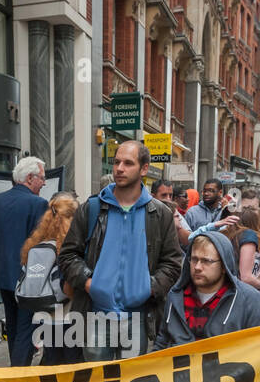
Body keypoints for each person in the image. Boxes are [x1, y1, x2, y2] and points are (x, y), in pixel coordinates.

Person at [58, 140, 183, 360]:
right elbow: (68, 255)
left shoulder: (160, 214)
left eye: (128, 163)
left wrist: (149, 287)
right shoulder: (92, 208)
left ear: (144, 169)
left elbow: (172, 262)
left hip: (138, 317)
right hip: (97, 314)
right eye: (116, 162)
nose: (119, 168)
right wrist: (89, 283)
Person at [154, 229, 260, 349]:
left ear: (224, 266)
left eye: (206, 261)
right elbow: (162, 342)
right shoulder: (175, 297)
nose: (198, 267)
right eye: (194, 259)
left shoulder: (250, 300)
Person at [0, 156, 48, 367]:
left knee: (12, 326)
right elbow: (41, 247)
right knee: (26, 329)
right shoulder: (39, 204)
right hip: (29, 278)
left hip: (4, 276)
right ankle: (19, 374)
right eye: (42, 177)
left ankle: (15, 369)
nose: (45, 182)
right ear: (30, 178)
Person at [21, 192, 79, 365]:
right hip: (69, 317)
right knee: (72, 366)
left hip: (44, 314)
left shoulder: (36, 243)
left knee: (52, 362)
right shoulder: (69, 246)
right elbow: (68, 290)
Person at [179, 178, 229, 248]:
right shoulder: (192, 212)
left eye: (211, 191)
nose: (206, 194)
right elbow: (184, 240)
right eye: (204, 191)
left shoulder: (225, 211)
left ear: (220, 192)